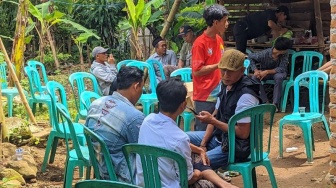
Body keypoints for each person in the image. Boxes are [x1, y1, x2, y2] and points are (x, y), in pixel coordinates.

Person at [137, 78, 238, 188]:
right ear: (183, 104)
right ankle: (223, 184)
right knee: (208, 184)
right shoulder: (180, 138)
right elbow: (189, 179)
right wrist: (198, 174)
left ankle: (223, 183)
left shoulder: (147, 121)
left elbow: (171, 142)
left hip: (144, 183)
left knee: (198, 157)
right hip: (169, 185)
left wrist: (199, 149)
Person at [187, 49, 262, 170]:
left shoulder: (246, 95)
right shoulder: (225, 85)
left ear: (242, 71)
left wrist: (213, 121)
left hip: (236, 147)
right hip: (219, 137)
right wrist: (203, 144)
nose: (226, 75)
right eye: (223, 70)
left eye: (231, 71)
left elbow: (243, 133)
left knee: (196, 165)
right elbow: (215, 115)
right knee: (181, 138)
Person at [85, 66, 145, 183]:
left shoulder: (96, 103)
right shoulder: (134, 117)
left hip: (99, 168)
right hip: (120, 176)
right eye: (142, 87)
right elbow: (143, 151)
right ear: (136, 86)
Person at [191, 4, 229, 131]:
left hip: (219, 91)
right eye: (224, 21)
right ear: (215, 22)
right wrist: (219, 65)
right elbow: (197, 71)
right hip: (205, 95)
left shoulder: (219, 39)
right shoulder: (199, 43)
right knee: (202, 130)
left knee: (217, 128)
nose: (227, 24)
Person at [248, 37, 292, 111]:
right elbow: (250, 57)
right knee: (254, 78)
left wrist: (267, 71)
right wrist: (255, 70)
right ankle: (265, 102)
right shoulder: (264, 54)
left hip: (279, 73)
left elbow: (282, 68)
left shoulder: (284, 55)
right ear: (282, 50)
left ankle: (275, 105)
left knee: (278, 77)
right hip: (265, 73)